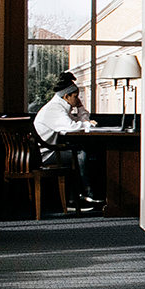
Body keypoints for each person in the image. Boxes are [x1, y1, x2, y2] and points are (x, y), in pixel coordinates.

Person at [32, 76, 101, 207]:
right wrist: (88, 125)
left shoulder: (60, 107)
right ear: (66, 96)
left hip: (49, 151)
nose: (78, 99)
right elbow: (72, 127)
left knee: (79, 152)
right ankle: (87, 192)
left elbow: (80, 121)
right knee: (80, 153)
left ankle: (75, 198)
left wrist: (81, 109)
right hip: (44, 155)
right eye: (76, 96)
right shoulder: (54, 109)